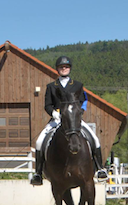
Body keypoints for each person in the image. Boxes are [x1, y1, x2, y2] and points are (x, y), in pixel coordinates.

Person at [30, 56, 108, 186]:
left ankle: (100, 169)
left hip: (74, 120)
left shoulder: (77, 85)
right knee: (39, 142)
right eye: (61, 67)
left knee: (95, 139)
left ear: (69, 69)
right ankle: (38, 173)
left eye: (66, 67)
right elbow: (47, 105)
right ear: (57, 69)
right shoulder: (51, 86)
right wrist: (54, 113)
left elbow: (84, 101)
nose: (64, 69)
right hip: (57, 119)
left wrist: (80, 112)